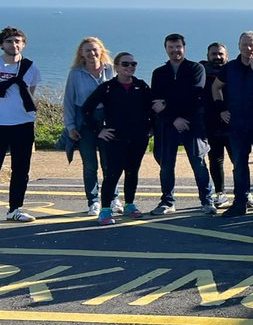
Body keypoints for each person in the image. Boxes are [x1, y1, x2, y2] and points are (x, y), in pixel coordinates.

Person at [211, 31, 253, 219]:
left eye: (252, 45)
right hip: (237, 125)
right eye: (244, 45)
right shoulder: (230, 67)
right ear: (238, 45)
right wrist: (221, 108)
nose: (248, 48)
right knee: (239, 166)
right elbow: (216, 87)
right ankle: (240, 203)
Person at [82, 53, 154, 225]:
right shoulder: (108, 87)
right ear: (116, 67)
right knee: (113, 173)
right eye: (125, 64)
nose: (130, 67)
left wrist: (151, 128)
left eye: (133, 64)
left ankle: (129, 204)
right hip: (115, 138)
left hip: (138, 138)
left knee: (132, 171)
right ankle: (105, 210)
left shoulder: (141, 86)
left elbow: (152, 108)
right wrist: (98, 130)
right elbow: (86, 109)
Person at [149, 33, 215, 215]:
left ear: (184, 48)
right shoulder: (159, 73)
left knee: (199, 164)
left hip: (192, 124)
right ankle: (167, 202)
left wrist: (168, 104)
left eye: (178, 47)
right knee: (166, 166)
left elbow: (195, 96)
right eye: (170, 47)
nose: (174, 50)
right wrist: (173, 118)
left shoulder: (196, 68)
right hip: (168, 125)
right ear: (166, 49)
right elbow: (155, 102)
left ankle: (207, 201)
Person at [62, 37, 114, 215]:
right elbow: (68, 101)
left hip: (107, 121)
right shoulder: (76, 73)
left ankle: (113, 198)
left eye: (94, 49)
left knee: (109, 163)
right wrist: (70, 126)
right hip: (83, 121)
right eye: (87, 51)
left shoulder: (111, 70)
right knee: (90, 165)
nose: (92, 53)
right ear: (81, 54)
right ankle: (93, 201)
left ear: (102, 50)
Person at [0, 26, 40, 223]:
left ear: (23, 44)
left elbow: (31, 94)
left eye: (17, 41)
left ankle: (15, 208)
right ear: (2, 45)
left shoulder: (31, 67)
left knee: (21, 169)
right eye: (9, 41)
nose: (13, 45)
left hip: (23, 124)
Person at [203, 43, 231, 207]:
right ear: (208, 56)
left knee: (238, 160)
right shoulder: (202, 73)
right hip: (211, 123)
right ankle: (220, 193)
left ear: (226, 56)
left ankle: (244, 192)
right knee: (215, 160)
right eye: (214, 54)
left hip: (232, 122)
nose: (217, 57)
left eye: (220, 54)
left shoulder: (232, 71)